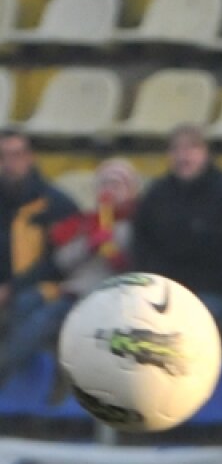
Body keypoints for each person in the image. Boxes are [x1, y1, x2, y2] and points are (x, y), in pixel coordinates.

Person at [0, 158, 140, 383]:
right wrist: (89, 245)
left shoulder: (137, 225)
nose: (109, 191)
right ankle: (32, 371)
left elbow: (134, 266)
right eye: (104, 185)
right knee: (26, 303)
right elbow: (62, 261)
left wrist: (115, 254)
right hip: (73, 291)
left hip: (107, 299)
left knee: (42, 319)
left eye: (116, 185)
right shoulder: (85, 223)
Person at [131, 125, 222, 323]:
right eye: (176, 149)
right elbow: (141, 242)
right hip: (169, 291)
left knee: (191, 318)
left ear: (206, 153)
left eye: (191, 148)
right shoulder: (157, 194)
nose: (183, 156)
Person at [0, 129, 77, 381]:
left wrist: (10, 288)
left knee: (26, 304)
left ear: (30, 157)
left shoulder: (57, 205)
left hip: (43, 290)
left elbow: (59, 263)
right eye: (3, 156)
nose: (10, 163)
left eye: (17, 155)